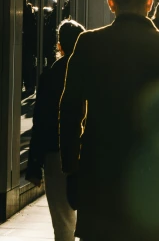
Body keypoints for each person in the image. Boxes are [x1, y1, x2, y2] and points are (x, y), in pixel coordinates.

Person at [60, 0, 159, 241]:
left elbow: (69, 112)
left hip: (98, 178)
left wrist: (72, 170)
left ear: (111, 4)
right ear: (149, 3)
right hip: (149, 181)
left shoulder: (88, 44)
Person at [27, 19, 85, 241]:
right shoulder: (90, 73)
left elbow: (40, 121)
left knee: (62, 224)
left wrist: (34, 163)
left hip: (55, 154)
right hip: (84, 153)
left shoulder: (50, 75)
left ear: (60, 44)